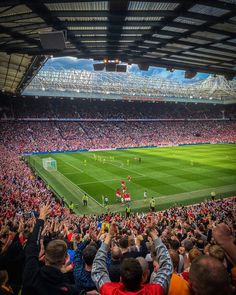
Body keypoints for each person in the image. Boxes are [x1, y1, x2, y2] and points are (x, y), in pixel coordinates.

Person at [91, 224, 172, 295]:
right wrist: (153, 234)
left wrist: (109, 236)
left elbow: (97, 267)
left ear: (120, 279)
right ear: (144, 277)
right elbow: (167, 265)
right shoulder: (155, 291)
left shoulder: (110, 291)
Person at [22, 203, 78, 295]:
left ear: (44, 257)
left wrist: (41, 218)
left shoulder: (31, 274)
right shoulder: (69, 289)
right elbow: (32, 247)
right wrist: (63, 272)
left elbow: (32, 246)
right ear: (65, 260)